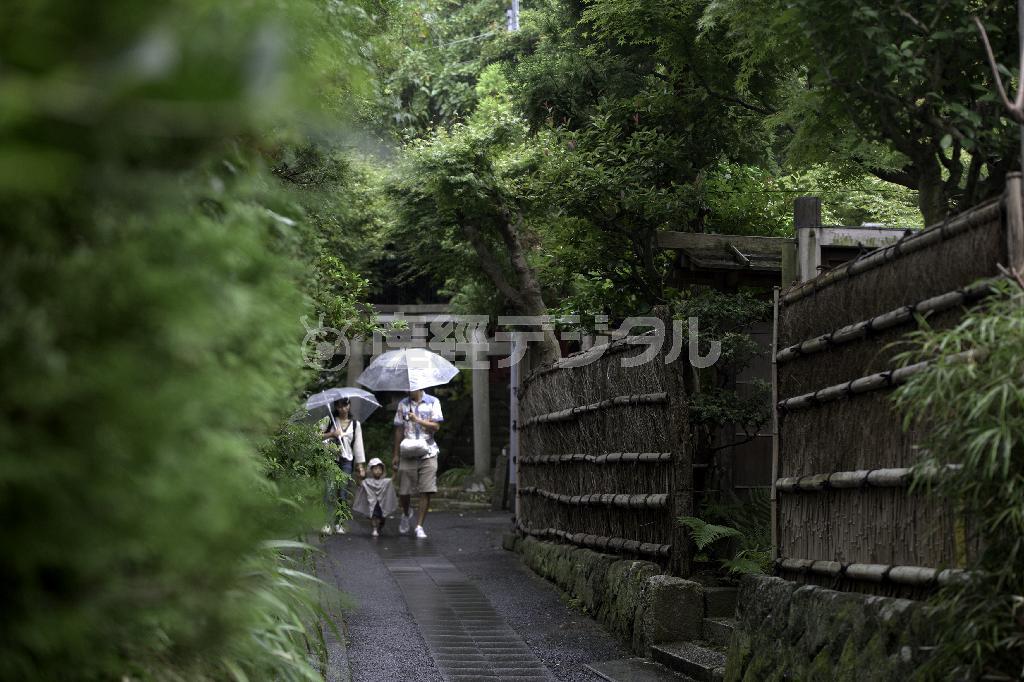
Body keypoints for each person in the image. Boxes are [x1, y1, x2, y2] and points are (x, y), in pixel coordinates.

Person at [392, 388, 443, 538]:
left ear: (420, 386)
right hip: (408, 450)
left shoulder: (433, 402)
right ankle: (406, 513)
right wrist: (395, 454)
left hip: (428, 450)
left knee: (426, 489)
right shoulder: (403, 404)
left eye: (412, 386)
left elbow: (436, 426)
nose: (408, 389)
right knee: (404, 491)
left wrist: (418, 420)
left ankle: (419, 526)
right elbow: (399, 430)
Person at [321, 398, 365, 535]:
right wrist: (332, 434)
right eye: (339, 406)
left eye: (345, 405)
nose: (343, 408)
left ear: (349, 405)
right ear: (336, 407)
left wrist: (361, 466)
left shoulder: (355, 424)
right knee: (329, 490)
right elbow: (316, 436)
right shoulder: (329, 421)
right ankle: (327, 523)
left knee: (343, 492)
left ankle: (339, 522)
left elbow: (358, 446)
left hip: (347, 460)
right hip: (331, 459)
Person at [352, 458, 398, 537]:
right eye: (375, 469)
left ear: (383, 470)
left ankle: (379, 527)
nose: (378, 471)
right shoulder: (368, 481)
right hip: (372, 503)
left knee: (382, 518)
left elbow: (392, 479)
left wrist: (395, 471)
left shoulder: (385, 481)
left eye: (380, 469)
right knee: (373, 516)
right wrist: (359, 475)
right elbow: (360, 484)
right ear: (371, 470)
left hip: (382, 504)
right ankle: (374, 529)